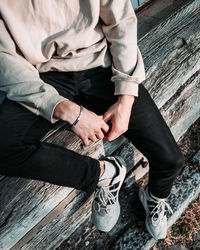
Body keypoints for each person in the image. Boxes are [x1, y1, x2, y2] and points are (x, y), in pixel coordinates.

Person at [0, 0, 184, 239]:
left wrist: (126, 97)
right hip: (41, 76)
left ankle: (155, 197)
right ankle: (105, 174)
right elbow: (4, 59)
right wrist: (66, 109)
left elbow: (121, 23)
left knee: (171, 160)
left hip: (100, 64)